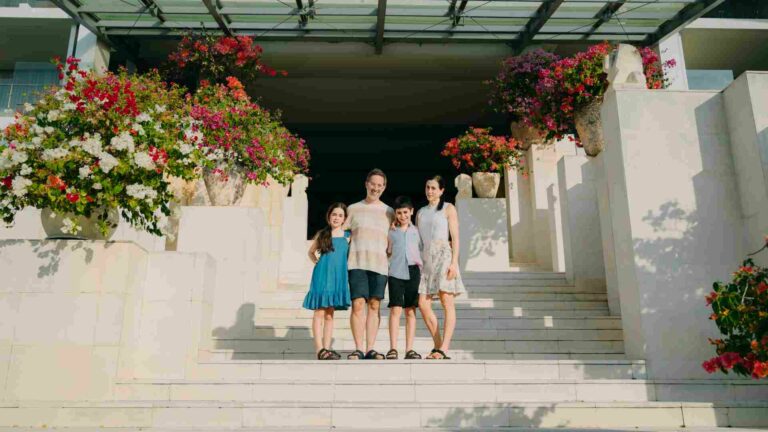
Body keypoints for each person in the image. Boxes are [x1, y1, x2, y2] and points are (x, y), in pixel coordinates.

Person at [344, 168, 394, 360]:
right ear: (366, 184)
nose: (376, 188)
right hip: (356, 263)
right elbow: (342, 233)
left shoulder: (389, 211)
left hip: (380, 264)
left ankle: (370, 348)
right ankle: (358, 347)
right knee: (358, 304)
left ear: (384, 187)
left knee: (374, 305)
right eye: (372, 184)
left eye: (379, 185)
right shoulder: (352, 209)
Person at [417, 175, 466, 360]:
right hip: (426, 259)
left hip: (444, 255)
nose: (430, 191)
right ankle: (437, 345)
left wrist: (454, 262)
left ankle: (444, 347)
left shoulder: (448, 208)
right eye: (428, 187)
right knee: (423, 303)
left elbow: (455, 237)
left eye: (434, 188)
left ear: (441, 190)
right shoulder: (420, 212)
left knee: (447, 300)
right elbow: (418, 240)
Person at [303, 203, 351, 360]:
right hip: (322, 276)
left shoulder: (347, 236)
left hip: (338, 278)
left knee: (330, 314)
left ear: (344, 219)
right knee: (319, 312)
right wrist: (318, 263)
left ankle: (327, 348)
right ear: (329, 216)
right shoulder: (323, 234)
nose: (336, 218)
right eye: (334, 214)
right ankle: (319, 349)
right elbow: (311, 252)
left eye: (340, 215)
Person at [385, 196, 423, 360]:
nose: (403, 216)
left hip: (413, 271)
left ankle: (409, 349)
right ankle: (393, 348)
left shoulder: (417, 231)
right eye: (399, 213)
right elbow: (387, 251)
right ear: (395, 214)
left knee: (410, 311)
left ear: (411, 211)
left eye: (405, 212)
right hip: (395, 272)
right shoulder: (391, 231)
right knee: (395, 309)